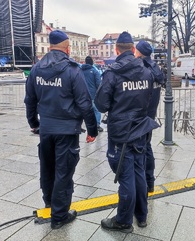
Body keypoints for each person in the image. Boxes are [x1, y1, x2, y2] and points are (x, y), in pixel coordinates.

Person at [24, 30, 98, 229]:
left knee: (47, 168)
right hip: (67, 130)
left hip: (46, 128)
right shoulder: (73, 70)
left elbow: (30, 100)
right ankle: (59, 216)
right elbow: (84, 102)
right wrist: (92, 129)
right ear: (68, 48)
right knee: (64, 172)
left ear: (49, 48)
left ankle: (49, 202)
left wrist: (33, 122)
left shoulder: (36, 69)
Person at [95, 32, 159, 233]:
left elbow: (102, 104)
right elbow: (149, 100)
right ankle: (141, 215)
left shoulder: (112, 73)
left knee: (125, 175)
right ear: (133, 49)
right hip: (140, 130)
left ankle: (123, 221)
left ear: (116, 50)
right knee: (139, 172)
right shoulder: (147, 71)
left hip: (120, 133)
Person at [135, 40, 165, 193]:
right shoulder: (156, 68)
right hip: (150, 114)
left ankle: (144, 184)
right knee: (147, 146)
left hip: (141, 115)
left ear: (139, 52)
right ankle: (150, 182)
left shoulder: (142, 68)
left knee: (143, 148)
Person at [81, 56, 103, 132]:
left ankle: (82, 125)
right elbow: (99, 84)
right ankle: (97, 125)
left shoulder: (80, 70)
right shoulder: (94, 71)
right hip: (93, 95)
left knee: (84, 110)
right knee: (96, 110)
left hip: (82, 95)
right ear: (92, 62)